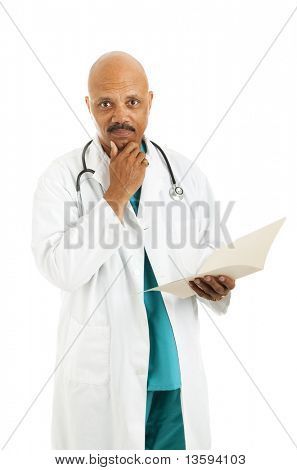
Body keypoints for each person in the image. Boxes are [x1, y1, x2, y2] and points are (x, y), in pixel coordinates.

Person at [31, 50, 235, 450]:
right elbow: (60, 270)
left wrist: (222, 285)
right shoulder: (61, 178)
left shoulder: (186, 174)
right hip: (104, 379)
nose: (120, 115)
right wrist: (114, 196)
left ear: (150, 102)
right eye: (105, 103)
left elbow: (219, 254)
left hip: (175, 378)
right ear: (89, 106)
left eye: (132, 102)